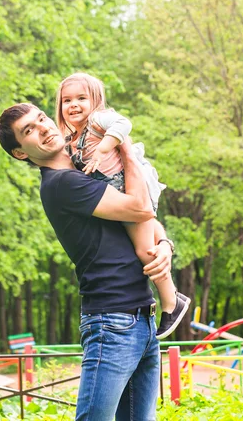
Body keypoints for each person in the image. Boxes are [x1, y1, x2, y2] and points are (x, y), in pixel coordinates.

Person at [0, 102, 174, 420]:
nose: (42, 127)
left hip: (142, 319)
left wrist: (163, 244)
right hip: (113, 321)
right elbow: (141, 208)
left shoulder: (85, 166)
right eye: (28, 131)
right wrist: (127, 150)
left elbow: (141, 219)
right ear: (21, 152)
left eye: (41, 119)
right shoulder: (62, 184)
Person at [55, 73, 190, 339]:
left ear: (96, 101)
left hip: (132, 190)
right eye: (66, 100)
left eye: (82, 98)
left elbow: (123, 123)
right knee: (146, 245)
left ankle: (172, 301)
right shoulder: (73, 139)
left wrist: (105, 148)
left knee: (143, 249)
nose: (74, 105)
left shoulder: (98, 121)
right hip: (120, 198)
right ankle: (171, 298)